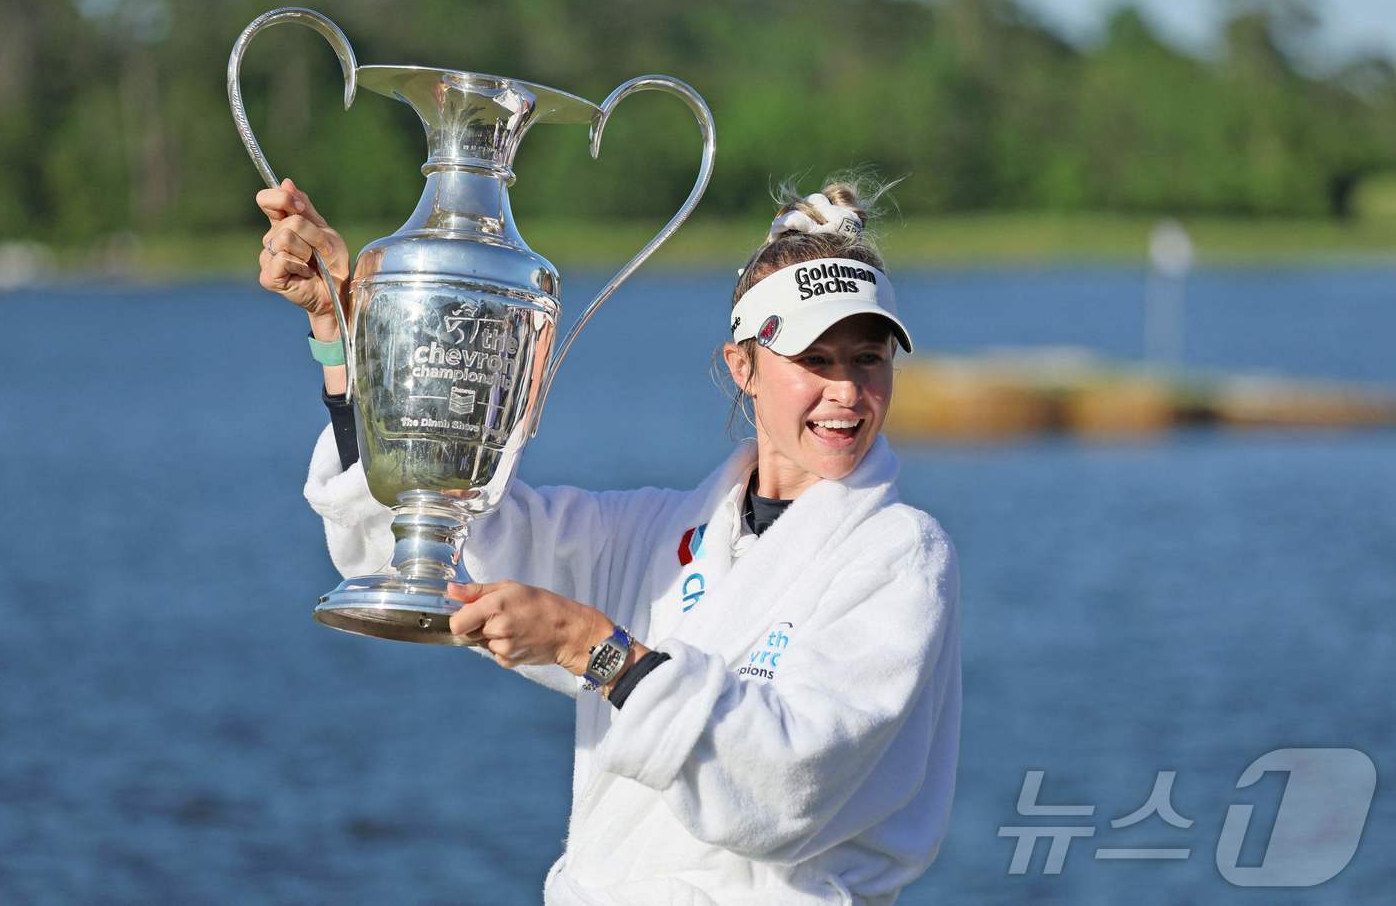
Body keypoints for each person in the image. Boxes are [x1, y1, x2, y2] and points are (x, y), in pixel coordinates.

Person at [256, 175, 962, 905]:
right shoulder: (658, 535)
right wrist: (343, 337)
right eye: (816, 360)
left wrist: (596, 649)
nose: (846, 391)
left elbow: (789, 784)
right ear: (743, 366)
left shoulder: (900, 553)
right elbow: (439, 548)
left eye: (868, 357)